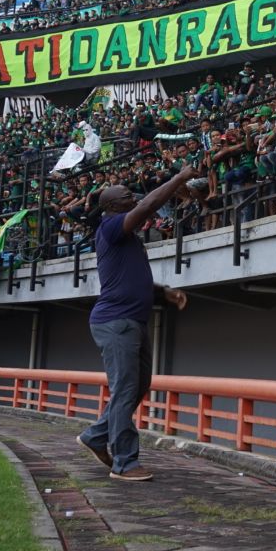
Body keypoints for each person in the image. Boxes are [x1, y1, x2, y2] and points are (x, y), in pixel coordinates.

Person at [76, 169, 193, 482]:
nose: (133, 198)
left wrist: (162, 292)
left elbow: (130, 280)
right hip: (116, 323)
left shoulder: (124, 237)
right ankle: (125, 463)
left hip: (132, 321)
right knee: (125, 390)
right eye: (126, 195)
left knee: (137, 387)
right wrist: (179, 178)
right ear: (113, 206)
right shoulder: (112, 226)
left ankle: (95, 436)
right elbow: (148, 206)